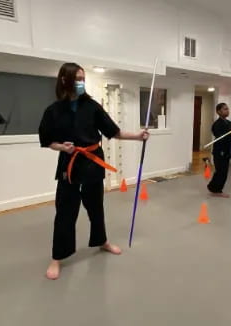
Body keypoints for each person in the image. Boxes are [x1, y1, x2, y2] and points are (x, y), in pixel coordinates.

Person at [38, 63, 149, 280]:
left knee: (96, 208)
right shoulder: (53, 111)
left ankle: (102, 241)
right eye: (78, 79)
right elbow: (47, 140)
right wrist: (62, 147)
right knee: (64, 212)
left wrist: (138, 136)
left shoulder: (92, 107)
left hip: (93, 163)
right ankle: (57, 257)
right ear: (64, 80)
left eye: (83, 79)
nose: (81, 83)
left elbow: (114, 132)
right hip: (69, 165)